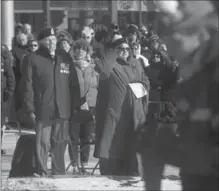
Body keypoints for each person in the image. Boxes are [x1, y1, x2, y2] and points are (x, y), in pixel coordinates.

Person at [21, 27, 78, 176]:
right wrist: (29, 107)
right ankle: (42, 171)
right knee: (43, 142)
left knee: (60, 142)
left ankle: (59, 171)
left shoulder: (65, 57)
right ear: (41, 42)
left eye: (54, 40)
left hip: (62, 107)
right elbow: (27, 85)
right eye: (48, 40)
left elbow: (74, 84)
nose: (52, 43)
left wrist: (74, 106)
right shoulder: (32, 58)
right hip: (43, 107)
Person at [94, 37, 150, 176]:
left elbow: (145, 80)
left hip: (133, 110)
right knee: (113, 140)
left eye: (127, 49)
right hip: (115, 110)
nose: (124, 51)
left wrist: (140, 87)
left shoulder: (136, 63)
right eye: (121, 49)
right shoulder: (111, 64)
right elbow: (103, 72)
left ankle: (131, 169)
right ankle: (111, 169)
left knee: (131, 140)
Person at [68, 39, 99, 174]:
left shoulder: (93, 68)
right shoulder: (69, 67)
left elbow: (96, 87)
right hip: (74, 108)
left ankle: (84, 165)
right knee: (74, 138)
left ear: (87, 52)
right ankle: (74, 164)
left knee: (86, 138)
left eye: (83, 49)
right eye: (77, 49)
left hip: (90, 108)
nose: (79, 51)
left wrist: (90, 102)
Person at [1, 44, 16, 155]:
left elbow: (10, 77)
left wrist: (9, 92)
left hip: (2, 96)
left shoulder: (4, 61)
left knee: (1, 123)